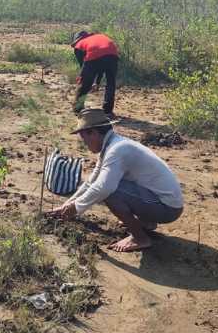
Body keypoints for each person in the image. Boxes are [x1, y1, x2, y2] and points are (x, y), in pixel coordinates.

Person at [48, 108, 184, 252]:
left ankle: (140, 238)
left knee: (112, 192)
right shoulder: (112, 145)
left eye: (84, 138)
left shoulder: (117, 150)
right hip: (160, 200)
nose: (84, 143)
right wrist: (67, 204)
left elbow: (103, 188)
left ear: (93, 133)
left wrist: (76, 208)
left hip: (167, 208)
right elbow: (91, 181)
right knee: (110, 186)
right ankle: (146, 222)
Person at [71, 30, 118, 117]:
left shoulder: (79, 45)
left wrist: (86, 80)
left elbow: (84, 67)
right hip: (113, 54)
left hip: (96, 54)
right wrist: (97, 82)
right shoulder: (99, 36)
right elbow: (101, 67)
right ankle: (108, 111)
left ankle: (78, 109)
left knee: (84, 83)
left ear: (77, 40)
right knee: (111, 83)